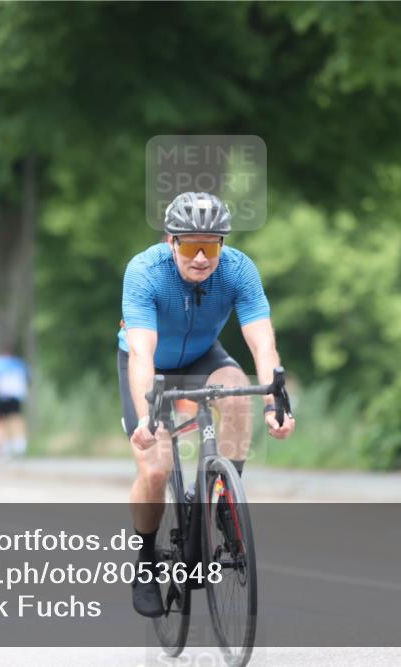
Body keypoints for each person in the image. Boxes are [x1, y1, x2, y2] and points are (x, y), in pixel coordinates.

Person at [118, 191, 296, 617]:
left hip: (203, 356)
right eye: (191, 246)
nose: (201, 258)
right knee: (155, 468)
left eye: (211, 247)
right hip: (149, 365)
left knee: (236, 390)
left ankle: (223, 497)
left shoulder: (238, 270)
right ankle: (146, 559)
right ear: (171, 241)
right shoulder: (144, 271)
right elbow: (142, 352)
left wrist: (275, 402)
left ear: (223, 245)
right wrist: (146, 417)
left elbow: (262, 342)